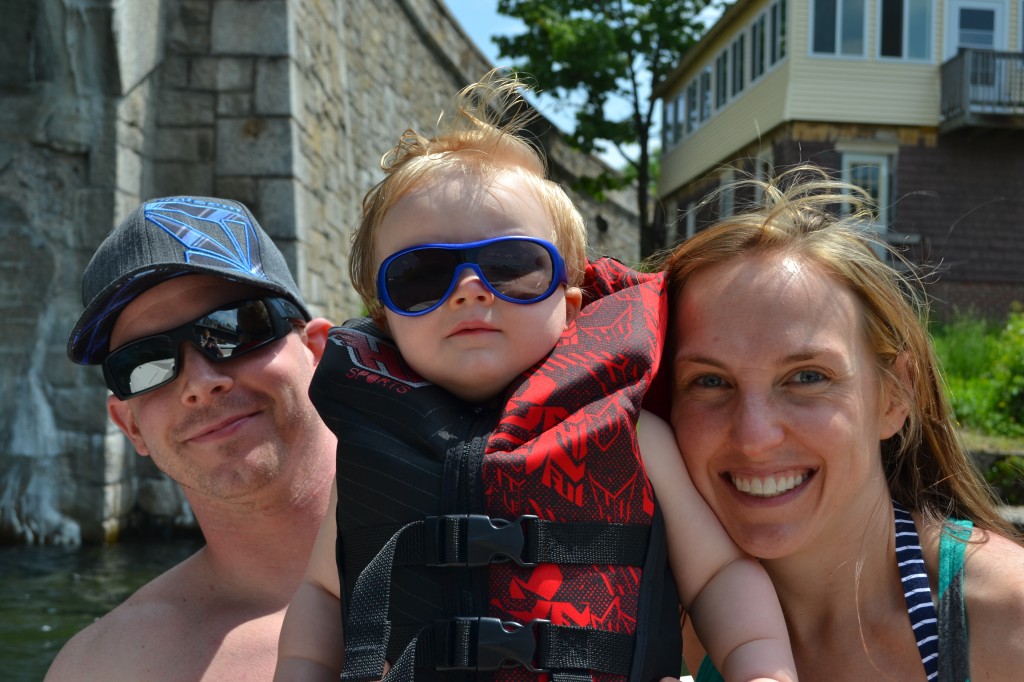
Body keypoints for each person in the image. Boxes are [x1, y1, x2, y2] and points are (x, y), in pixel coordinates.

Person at [275, 70, 796, 682]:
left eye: (512, 266)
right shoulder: (368, 457)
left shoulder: (632, 436)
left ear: (570, 305)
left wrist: (760, 668)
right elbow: (325, 594)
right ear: (385, 318)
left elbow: (719, 575)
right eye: (421, 275)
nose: (470, 290)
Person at [651, 166, 1024, 681]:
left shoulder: (1007, 621)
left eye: (806, 376)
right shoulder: (659, 624)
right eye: (710, 382)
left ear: (894, 396)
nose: (755, 438)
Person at [46, 196, 338, 681]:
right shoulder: (102, 669)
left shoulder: (496, 539)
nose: (200, 382)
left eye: (233, 330)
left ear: (318, 353)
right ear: (130, 426)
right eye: (144, 365)